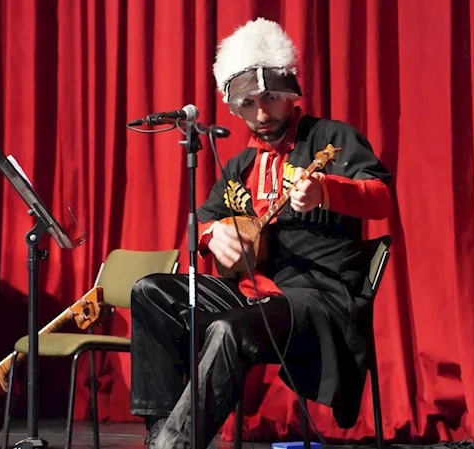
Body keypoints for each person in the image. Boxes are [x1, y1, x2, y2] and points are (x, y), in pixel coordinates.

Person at [129, 17, 393, 449]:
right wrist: (213, 236)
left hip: (318, 298)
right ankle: (161, 432)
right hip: (254, 292)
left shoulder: (331, 137)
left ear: (289, 94)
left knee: (227, 330)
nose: (262, 114)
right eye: (248, 103)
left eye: (270, 98)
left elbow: (381, 199)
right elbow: (201, 220)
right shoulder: (241, 166)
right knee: (150, 291)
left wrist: (326, 191)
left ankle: (176, 445)